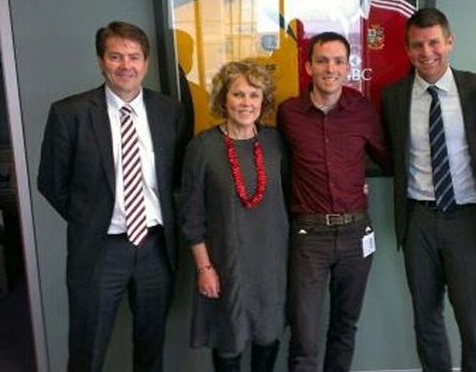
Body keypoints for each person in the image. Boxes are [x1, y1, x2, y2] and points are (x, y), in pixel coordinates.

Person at [37, 21, 189, 371]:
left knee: (151, 349)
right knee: (87, 351)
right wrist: (91, 218)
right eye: (116, 56)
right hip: (100, 249)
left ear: (146, 62)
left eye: (134, 57)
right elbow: (51, 182)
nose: (126, 65)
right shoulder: (70, 113)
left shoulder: (170, 112)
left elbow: (177, 177)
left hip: (155, 248)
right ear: (100, 61)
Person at [380, 8, 476, 372]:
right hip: (417, 220)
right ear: (407, 49)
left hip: (466, 219)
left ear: (449, 42)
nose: (426, 52)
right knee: (426, 319)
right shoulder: (394, 97)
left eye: (434, 42)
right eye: (417, 45)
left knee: (474, 319)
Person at [277, 31, 391, 372]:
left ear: (348, 66)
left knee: (344, 328)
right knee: (304, 336)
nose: (331, 68)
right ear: (309, 66)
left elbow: (386, 159)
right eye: (323, 61)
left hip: (357, 233)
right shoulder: (289, 113)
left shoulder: (362, 111)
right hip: (309, 236)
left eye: (339, 61)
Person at [179, 60, 289, 372]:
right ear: (223, 99)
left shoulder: (276, 143)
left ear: (263, 101)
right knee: (229, 340)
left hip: (272, 264)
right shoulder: (202, 147)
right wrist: (204, 268)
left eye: (254, 95)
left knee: (268, 338)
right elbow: (191, 215)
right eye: (238, 94)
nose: (246, 103)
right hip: (225, 264)